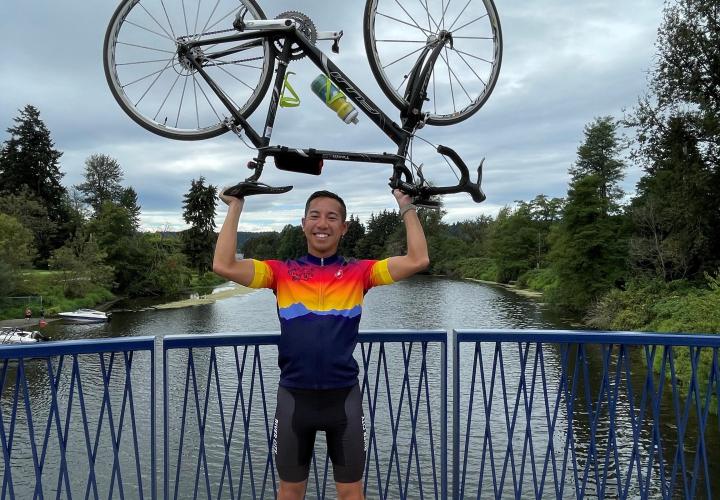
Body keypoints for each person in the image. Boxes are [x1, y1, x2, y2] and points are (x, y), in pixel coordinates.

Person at [213, 188, 429, 500]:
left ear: (344, 227)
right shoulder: (281, 272)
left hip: (343, 399)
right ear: (303, 224)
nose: (322, 223)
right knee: (290, 493)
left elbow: (418, 259)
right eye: (315, 216)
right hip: (294, 399)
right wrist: (236, 206)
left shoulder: (361, 272)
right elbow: (224, 265)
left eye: (332, 217)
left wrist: (406, 206)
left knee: (351, 494)